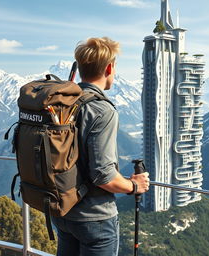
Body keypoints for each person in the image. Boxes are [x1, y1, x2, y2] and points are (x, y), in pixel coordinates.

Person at [52, 37, 150, 256]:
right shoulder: (101, 110)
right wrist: (134, 186)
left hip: (63, 212)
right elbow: (102, 175)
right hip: (94, 219)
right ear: (109, 68)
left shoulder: (63, 102)